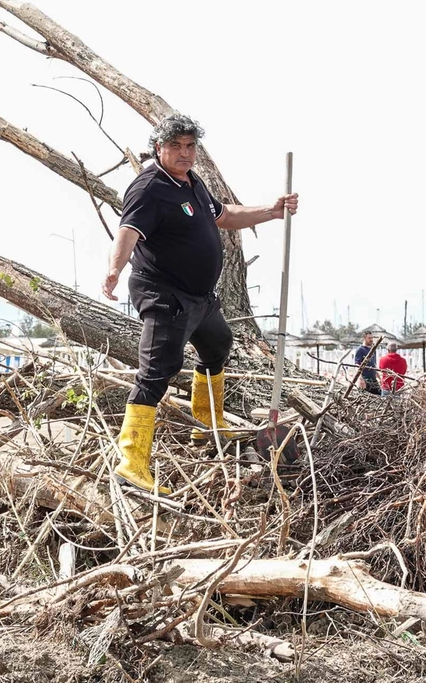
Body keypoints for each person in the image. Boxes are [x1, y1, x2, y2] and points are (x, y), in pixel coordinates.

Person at [101, 114, 299, 493]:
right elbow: (127, 231)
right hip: (164, 293)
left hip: (199, 297)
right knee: (157, 370)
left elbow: (223, 215)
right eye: (175, 146)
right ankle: (131, 460)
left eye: (190, 146)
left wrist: (272, 212)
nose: (184, 153)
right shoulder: (149, 188)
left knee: (217, 344)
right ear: (158, 148)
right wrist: (113, 270)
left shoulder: (192, 183)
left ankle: (207, 422)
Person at [352, 330, 381, 395]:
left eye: (372, 338)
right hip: (365, 379)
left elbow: (374, 365)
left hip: (373, 380)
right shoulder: (360, 350)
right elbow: (357, 365)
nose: (371, 340)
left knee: (378, 396)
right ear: (364, 338)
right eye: (369, 338)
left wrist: (379, 378)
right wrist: (360, 379)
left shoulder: (373, 350)